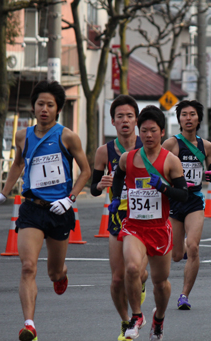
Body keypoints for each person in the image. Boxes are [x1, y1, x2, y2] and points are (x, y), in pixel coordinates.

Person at [0, 80, 91, 341]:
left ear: (58, 109)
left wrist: (70, 199)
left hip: (59, 211)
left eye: (50, 105)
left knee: (53, 271)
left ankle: (61, 274)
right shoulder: (24, 135)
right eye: (40, 104)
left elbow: (86, 170)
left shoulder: (67, 136)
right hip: (31, 208)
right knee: (28, 267)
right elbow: (17, 164)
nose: (44, 108)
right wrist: (3, 193)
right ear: (33, 107)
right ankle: (29, 324)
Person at [109, 105, 188, 340]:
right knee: (132, 268)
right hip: (134, 226)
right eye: (144, 131)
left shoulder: (171, 161)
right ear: (138, 131)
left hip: (159, 228)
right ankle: (136, 316)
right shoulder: (128, 158)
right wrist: (115, 199)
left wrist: (163, 187)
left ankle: (159, 319)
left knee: (160, 283)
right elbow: (118, 177)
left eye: (153, 130)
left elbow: (183, 194)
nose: (148, 135)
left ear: (162, 132)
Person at [90, 94, 148, 341]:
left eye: (129, 116)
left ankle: (140, 289)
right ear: (112, 122)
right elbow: (93, 188)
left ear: (136, 120)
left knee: (137, 272)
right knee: (117, 279)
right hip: (118, 218)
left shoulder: (149, 147)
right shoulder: (104, 152)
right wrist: (101, 185)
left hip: (145, 218)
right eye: (120, 117)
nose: (125, 121)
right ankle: (127, 322)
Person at [162, 100, 211, 310]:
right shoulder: (170, 144)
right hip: (175, 200)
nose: (188, 118)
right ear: (179, 119)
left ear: (199, 119)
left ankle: (184, 295)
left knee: (193, 246)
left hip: (194, 200)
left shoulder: (207, 146)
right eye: (184, 114)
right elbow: (160, 169)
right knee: (176, 256)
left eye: (192, 114)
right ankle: (182, 248)